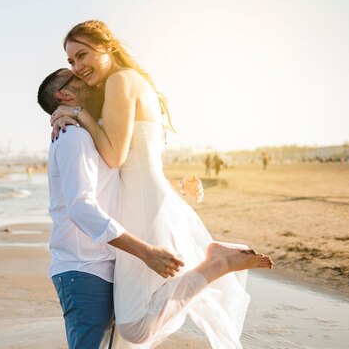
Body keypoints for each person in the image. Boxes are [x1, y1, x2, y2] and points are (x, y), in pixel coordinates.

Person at [50, 20, 272, 348]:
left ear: (107, 46)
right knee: (134, 323)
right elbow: (136, 160)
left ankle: (216, 264)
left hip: (141, 206)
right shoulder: (129, 83)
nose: (78, 66)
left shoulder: (121, 81)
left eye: (83, 55)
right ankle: (214, 262)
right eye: (71, 62)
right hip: (145, 199)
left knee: (135, 326)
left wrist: (79, 114)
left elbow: (113, 156)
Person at [38, 68, 191, 349]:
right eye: (78, 78)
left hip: (104, 266)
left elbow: (123, 187)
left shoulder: (91, 135)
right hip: (83, 269)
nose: (91, 81)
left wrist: (175, 189)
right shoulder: (73, 138)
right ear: (65, 94)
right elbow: (81, 208)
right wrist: (146, 252)